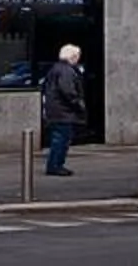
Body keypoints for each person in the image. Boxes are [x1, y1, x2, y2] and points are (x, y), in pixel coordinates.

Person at [39, 43, 87, 176]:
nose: (78, 58)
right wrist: (78, 105)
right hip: (63, 112)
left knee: (59, 138)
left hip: (56, 111)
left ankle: (55, 164)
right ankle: (55, 165)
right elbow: (68, 91)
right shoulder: (66, 71)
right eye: (77, 56)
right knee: (61, 139)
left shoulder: (56, 69)